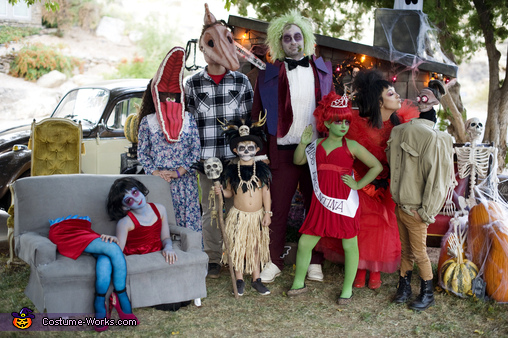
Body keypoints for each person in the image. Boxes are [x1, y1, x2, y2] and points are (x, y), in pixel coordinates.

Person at [251, 9, 334, 283]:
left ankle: (314, 261)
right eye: (287, 38)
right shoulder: (267, 76)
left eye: (298, 36)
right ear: (279, 42)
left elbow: (332, 113)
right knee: (276, 210)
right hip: (282, 151)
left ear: (306, 39)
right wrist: (260, 151)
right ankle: (273, 261)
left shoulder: (322, 72)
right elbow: (257, 115)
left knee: (315, 208)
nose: (293, 42)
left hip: (314, 152)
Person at [315, 70, 419, 289]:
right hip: (360, 184)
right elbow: (346, 157)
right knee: (362, 222)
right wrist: (360, 184)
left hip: (389, 185)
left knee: (384, 225)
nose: (398, 96)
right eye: (392, 94)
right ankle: (360, 268)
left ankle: (375, 269)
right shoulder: (356, 126)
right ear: (379, 102)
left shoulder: (401, 126)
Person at [287, 92, 382, 305]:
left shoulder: (352, 146)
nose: (343, 126)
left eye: (346, 122)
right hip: (320, 205)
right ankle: (298, 283)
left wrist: (358, 184)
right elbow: (298, 161)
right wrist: (302, 143)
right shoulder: (317, 145)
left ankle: (347, 289)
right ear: (326, 123)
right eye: (338, 122)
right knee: (304, 243)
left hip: (344, 204)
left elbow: (376, 166)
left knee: (350, 246)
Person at [185, 4, 254, 278]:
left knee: (238, 208)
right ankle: (213, 258)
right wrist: (193, 159)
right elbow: (188, 125)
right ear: (203, 48)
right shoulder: (192, 85)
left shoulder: (241, 82)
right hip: (207, 160)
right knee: (211, 211)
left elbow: (249, 123)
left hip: (236, 158)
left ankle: (237, 255)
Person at [386, 80, 453, 311]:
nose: (423, 100)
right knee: (407, 250)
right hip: (401, 204)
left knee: (420, 253)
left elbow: (438, 180)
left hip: (415, 207)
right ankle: (403, 287)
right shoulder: (401, 132)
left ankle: (427, 292)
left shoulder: (436, 138)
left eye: (428, 97)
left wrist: (426, 211)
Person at [137, 46, 201, 233]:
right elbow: (143, 153)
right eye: (164, 94)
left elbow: (195, 152)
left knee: (188, 229)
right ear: (155, 94)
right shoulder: (147, 122)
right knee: (162, 227)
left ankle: (191, 261)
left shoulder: (189, 119)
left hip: (185, 184)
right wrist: (157, 173)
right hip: (159, 184)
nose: (169, 98)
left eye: (174, 94)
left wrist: (178, 173)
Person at [48, 215, 138, 332]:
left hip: (85, 229)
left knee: (105, 256)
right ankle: (120, 296)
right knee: (112, 248)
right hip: (62, 230)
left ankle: (101, 300)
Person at [214, 117, 272, 296]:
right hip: (239, 216)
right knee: (238, 247)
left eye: (250, 148)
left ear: (257, 149)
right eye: (242, 148)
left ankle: (256, 279)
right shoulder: (232, 170)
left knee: (254, 247)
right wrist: (221, 192)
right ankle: (239, 279)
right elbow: (230, 193)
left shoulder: (261, 170)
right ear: (235, 150)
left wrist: (268, 213)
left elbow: (266, 193)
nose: (246, 150)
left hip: (256, 216)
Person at [106, 177, 177, 263]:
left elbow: (165, 237)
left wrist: (168, 247)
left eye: (135, 192)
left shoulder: (160, 209)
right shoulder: (125, 223)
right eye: (129, 200)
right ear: (125, 207)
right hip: (136, 259)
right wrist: (113, 242)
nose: (136, 199)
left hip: (157, 255)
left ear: (139, 189)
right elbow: (118, 250)